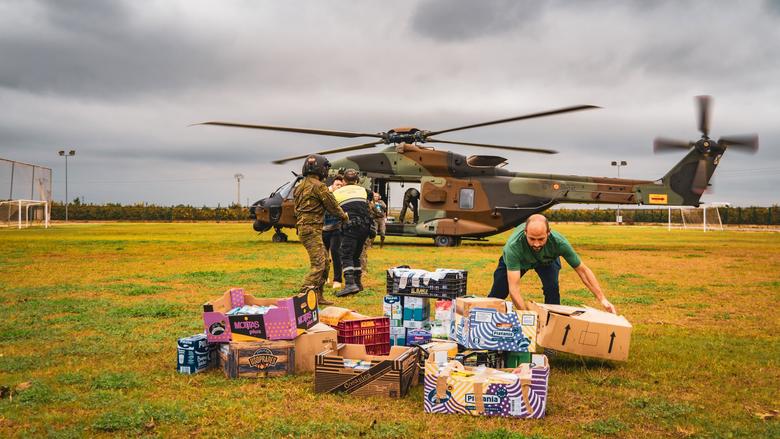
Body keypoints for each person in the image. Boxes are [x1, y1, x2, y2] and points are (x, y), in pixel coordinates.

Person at [488, 214, 617, 314]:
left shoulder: (559, 243)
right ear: (525, 233)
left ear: (548, 233)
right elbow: (514, 289)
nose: (536, 244)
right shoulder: (513, 247)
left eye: (541, 239)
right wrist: (527, 317)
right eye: (532, 239)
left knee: (552, 289)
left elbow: (583, 270)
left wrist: (602, 299)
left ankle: (552, 331)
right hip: (520, 261)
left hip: (546, 261)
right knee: (497, 293)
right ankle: (483, 326)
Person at [293, 154, 348, 306]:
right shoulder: (319, 186)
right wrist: (344, 216)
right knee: (319, 265)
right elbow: (332, 206)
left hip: (306, 229)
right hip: (312, 230)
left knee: (325, 262)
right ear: (321, 169)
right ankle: (302, 299)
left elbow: (296, 209)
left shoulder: (299, 187)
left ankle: (318, 296)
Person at [333, 169, 372, 297]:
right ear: (357, 180)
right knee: (356, 255)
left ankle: (350, 284)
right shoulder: (363, 190)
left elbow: (331, 206)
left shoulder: (337, 192)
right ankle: (358, 283)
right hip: (365, 227)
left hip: (351, 227)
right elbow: (370, 197)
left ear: (343, 181)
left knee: (346, 255)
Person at [323, 175, 345, 289]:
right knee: (324, 255)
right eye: (337, 185)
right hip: (323, 229)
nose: (339, 187)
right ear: (332, 185)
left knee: (336, 254)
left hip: (336, 229)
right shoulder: (326, 195)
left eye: (341, 185)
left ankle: (337, 280)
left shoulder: (343, 197)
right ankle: (325, 278)